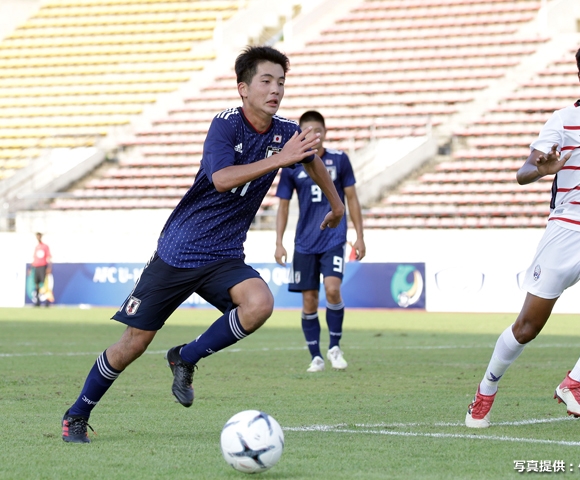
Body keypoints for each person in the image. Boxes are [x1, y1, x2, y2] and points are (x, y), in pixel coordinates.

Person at [61, 46, 345, 443]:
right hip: (180, 250)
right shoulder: (225, 124)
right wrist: (280, 159)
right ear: (243, 88)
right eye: (266, 80)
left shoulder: (284, 130)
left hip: (224, 254)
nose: (275, 89)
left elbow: (309, 157)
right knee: (134, 343)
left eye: (281, 82)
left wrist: (336, 205)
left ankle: (186, 356)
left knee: (260, 303)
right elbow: (222, 178)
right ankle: (76, 414)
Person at [465, 39, 580, 428]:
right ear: (579, 78)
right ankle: (486, 389)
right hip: (565, 233)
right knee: (527, 327)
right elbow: (522, 173)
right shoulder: (562, 121)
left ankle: (573, 382)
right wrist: (542, 170)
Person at [274, 110, 366, 372]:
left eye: (318, 130)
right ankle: (316, 356)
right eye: (307, 131)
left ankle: (334, 348)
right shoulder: (292, 165)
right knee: (309, 300)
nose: (313, 135)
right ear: (300, 135)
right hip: (304, 241)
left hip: (334, 238)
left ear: (324, 132)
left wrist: (359, 236)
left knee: (333, 289)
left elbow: (352, 199)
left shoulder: (340, 160)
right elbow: (282, 206)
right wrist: (279, 242)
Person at [30, 232, 52, 307]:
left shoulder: (45, 246)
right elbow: (34, 258)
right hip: (36, 267)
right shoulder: (36, 247)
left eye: (39, 236)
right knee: (36, 284)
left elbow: (49, 257)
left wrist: (49, 267)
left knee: (44, 284)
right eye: (37, 236)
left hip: (43, 266)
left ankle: (47, 301)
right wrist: (31, 268)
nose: (38, 237)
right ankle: (37, 301)